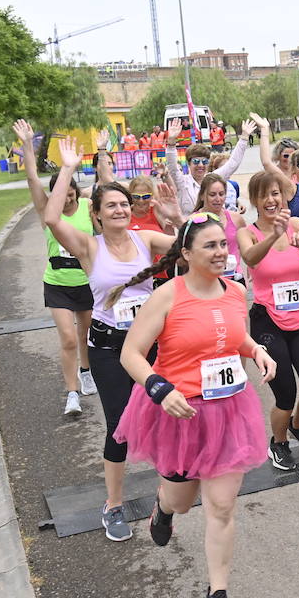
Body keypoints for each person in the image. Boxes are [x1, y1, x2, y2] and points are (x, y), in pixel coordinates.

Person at [114, 212, 277, 598]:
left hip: (228, 409)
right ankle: (163, 508)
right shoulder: (167, 296)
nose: (222, 251)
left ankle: (218, 595)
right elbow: (131, 353)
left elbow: (232, 336)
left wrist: (256, 349)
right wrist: (158, 387)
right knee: (183, 501)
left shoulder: (235, 291)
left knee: (222, 505)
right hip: (178, 411)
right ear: (185, 254)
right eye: (210, 245)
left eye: (223, 243)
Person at [42, 138, 177, 543]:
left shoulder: (146, 239)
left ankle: (167, 493)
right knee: (120, 426)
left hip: (151, 342)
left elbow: (192, 243)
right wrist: (68, 168)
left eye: (124, 204)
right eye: (111, 206)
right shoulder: (88, 246)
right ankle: (113, 504)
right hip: (108, 346)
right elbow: (51, 219)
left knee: (165, 412)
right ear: (96, 215)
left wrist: (173, 213)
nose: (120, 209)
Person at [238, 172, 299, 471]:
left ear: (283, 196)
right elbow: (250, 258)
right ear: (254, 201)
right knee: (285, 395)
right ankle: (279, 442)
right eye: (263, 195)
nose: (271, 200)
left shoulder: (296, 224)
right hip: (267, 321)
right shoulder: (247, 232)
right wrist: (275, 233)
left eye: (275, 193)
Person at [12, 119, 97, 415]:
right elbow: (33, 179)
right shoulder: (47, 211)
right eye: (63, 195)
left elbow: (106, 188)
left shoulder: (88, 208)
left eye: (71, 193)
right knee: (69, 338)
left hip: (86, 282)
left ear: (75, 191)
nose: (68, 198)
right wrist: (26, 145)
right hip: (58, 283)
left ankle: (86, 372)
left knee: (85, 335)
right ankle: (71, 393)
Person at [164, 119, 253, 213]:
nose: (200, 165)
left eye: (205, 161)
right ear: (189, 163)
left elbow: (233, 163)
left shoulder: (213, 178)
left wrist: (244, 138)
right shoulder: (182, 182)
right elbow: (172, 167)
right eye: (196, 161)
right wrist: (171, 142)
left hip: (216, 225)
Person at [193, 173, 247, 283]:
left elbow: (247, 246)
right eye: (212, 195)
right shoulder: (193, 220)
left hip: (234, 278)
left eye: (221, 194)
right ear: (203, 196)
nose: (218, 199)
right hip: (205, 280)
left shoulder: (236, 218)